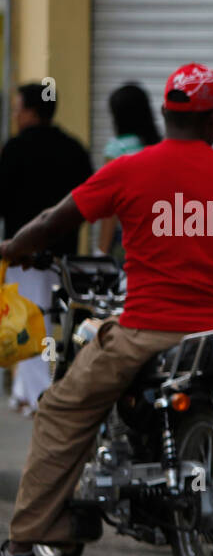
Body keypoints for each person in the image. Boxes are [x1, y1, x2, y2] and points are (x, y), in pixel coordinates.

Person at [0, 63, 213, 556]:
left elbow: (55, 221)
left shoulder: (129, 169)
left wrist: (12, 249)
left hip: (147, 331)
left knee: (59, 410)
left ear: (168, 115)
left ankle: (20, 548)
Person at [0, 83, 94, 413]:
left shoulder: (15, 149)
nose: (15, 116)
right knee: (57, 324)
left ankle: (39, 395)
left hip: (24, 256)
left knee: (28, 325)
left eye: (17, 109)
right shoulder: (74, 148)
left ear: (31, 111)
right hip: (65, 257)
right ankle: (28, 392)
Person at [96, 83, 163, 259]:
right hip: (158, 233)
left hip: (127, 236)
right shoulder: (159, 147)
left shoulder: (117, 149)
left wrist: (102, 250)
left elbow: (110, 205)